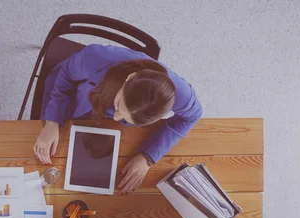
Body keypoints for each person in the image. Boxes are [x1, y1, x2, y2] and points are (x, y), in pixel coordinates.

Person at [33, 44, 203, 193]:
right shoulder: (95, 59)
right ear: (129, 78)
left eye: (127, 119)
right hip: (75, 100)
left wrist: (147, 157)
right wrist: (52, 122)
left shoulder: (180, 94)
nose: (115, 117)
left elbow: (192, 116)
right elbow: (65, 75)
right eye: (118, 106)